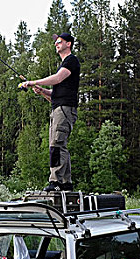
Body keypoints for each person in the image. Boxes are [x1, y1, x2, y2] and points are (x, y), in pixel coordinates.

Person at [21, 33, 80, 192]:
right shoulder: (63, 64)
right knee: (59, 145)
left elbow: (58, 78)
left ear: (68, 44)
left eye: (59, 41)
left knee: (56, 144)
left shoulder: (71, 61)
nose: (56, 44)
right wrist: (42, 91)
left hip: (64, 110)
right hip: (59, 109)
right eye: (55, 42)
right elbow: (56, 96)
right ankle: (66, 183)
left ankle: (55, 182)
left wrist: (33, 82)